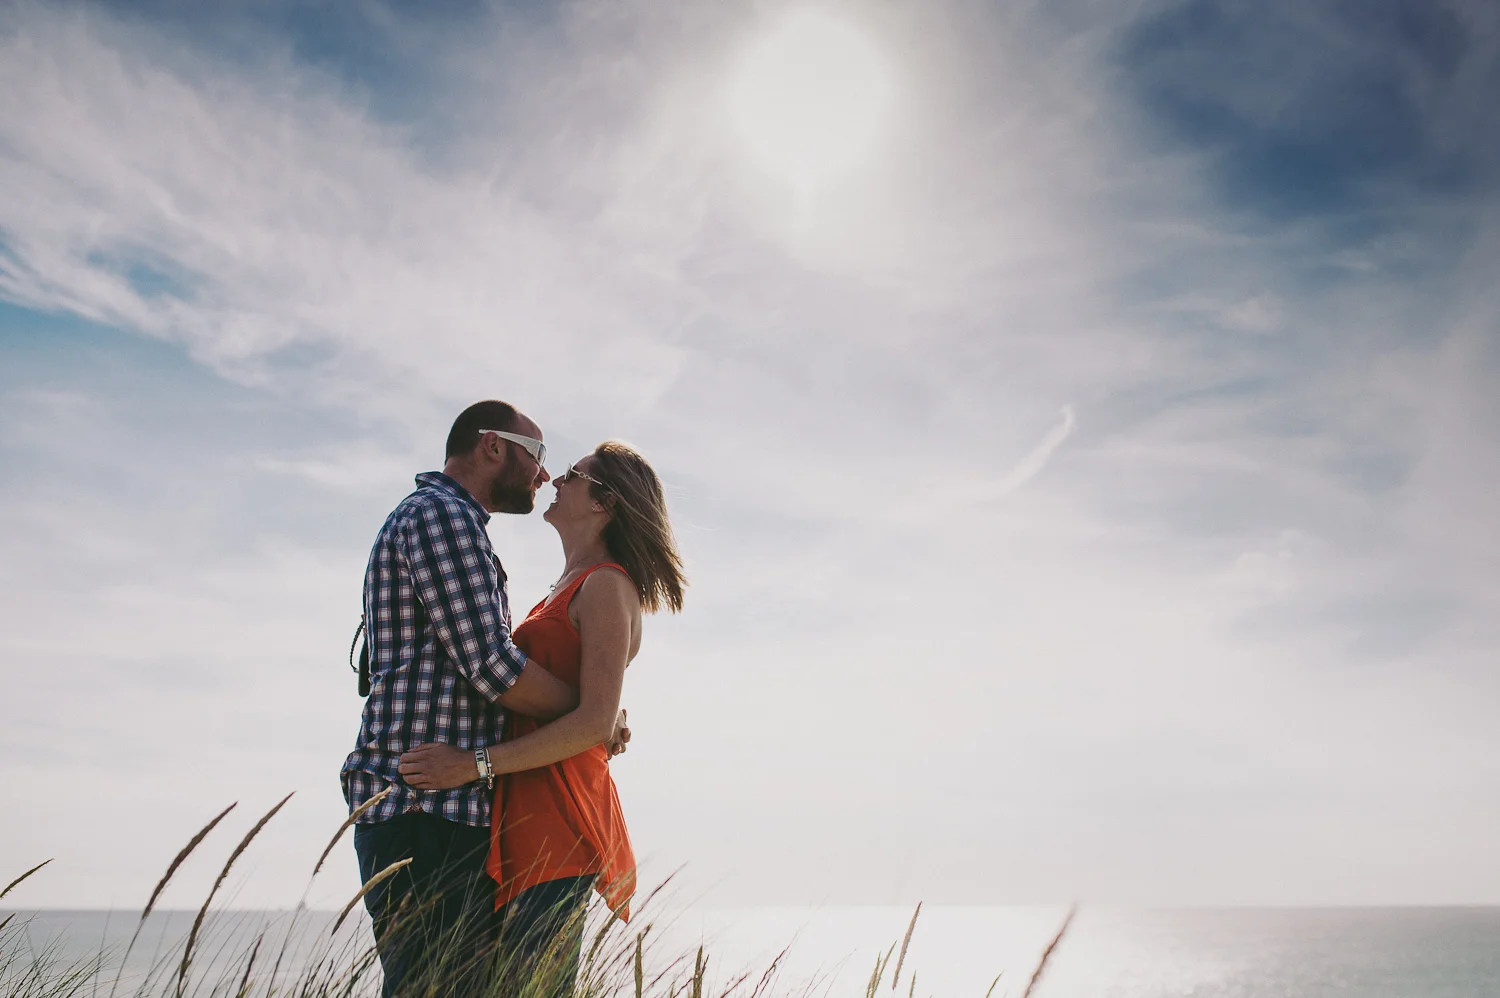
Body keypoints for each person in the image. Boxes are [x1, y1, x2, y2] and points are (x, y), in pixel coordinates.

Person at [340, 400, 626, 998]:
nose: (545, 475)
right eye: (539, 456)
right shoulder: (443, 519)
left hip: (444, 807)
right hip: (424, 808)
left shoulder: (448, 522)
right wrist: (592, 712)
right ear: (492, 446)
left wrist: (595, 714)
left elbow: (490, 674)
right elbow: (495, 670)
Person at [399, 439, 686, 997]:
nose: (556, 480)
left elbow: (590, 723)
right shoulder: (570, 585)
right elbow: (588, 704)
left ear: (603, 504)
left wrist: (471, 766)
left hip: (558, 817)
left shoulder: (606, 583)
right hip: (522, 814)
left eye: (574, 475)